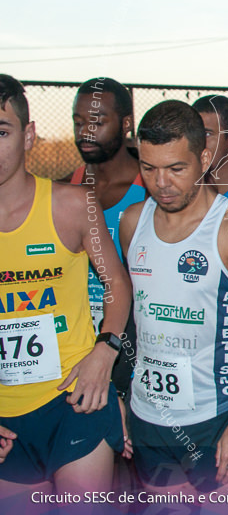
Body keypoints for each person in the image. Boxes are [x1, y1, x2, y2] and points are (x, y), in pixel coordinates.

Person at [119, 100, 228, 496]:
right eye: (150, 169)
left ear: (204, 158)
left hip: (215, 419)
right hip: (147, 416)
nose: (162, 183)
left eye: (176, 169)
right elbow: (132, 319)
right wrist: (120, 395)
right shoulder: (132, 222)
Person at [0, 74, 132, 497]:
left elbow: (116, 282)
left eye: (1, 131)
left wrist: (105, 350)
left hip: (76, 399)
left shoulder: (73, 204)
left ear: (28, 135)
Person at [67, 77, 146, 333]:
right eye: (78, 123)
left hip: (134, 338)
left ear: (126, 124)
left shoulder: (152, 192)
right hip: (76, 336)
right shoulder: (65, 191)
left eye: (97, 122)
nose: (85, 132)